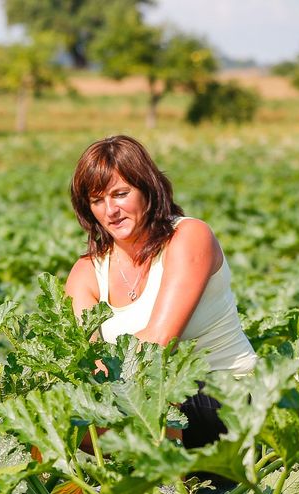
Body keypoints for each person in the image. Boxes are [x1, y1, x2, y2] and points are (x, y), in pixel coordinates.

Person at [64, 134, 257, 448]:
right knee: (59, 418)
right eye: (98, 200)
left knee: (154, 391)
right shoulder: (85, 274)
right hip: (142, 406)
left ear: (147, 190)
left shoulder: (189, 236)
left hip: (228, 400)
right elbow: (90, 360)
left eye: (121, 194)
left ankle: (168, 492)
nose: (110, 210)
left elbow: (158, 341)